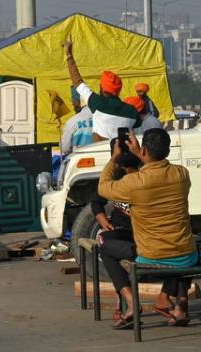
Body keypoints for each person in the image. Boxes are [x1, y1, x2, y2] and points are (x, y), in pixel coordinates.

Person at [98, 128, 197, 329]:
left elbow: (103, 187)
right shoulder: (182, 175)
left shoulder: (134, 183)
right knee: (186, 244)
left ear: (143, 151)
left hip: (150, 255)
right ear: (167, 152)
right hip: (186, 255)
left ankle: (132, 302)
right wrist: (141, 154)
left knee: (105, 247)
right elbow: (157, 170)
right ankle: (179, 305)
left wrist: (115, 158)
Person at [91, 149, 142, 322]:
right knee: (105, 241)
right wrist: (102, 220)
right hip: (124, 232)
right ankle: (123, 299)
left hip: (144, 238)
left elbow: (102, 187)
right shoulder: (119, 177)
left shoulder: (143, 179)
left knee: (106, 248)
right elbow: (97, 201)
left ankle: (128, 300)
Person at [63, 39, 138, 142]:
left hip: (102, 155)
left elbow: (77, 81)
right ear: (118, 90)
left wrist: (69, 54)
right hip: (126, 156)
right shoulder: (132, 111)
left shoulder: (97, 103)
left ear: (102, 89)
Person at [59, 86, 94, 155]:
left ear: (79, 100)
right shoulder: (103, 118)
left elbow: (65, 148)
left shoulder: (72, 122)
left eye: (73, 99)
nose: (72, 102)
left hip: (79, 162)